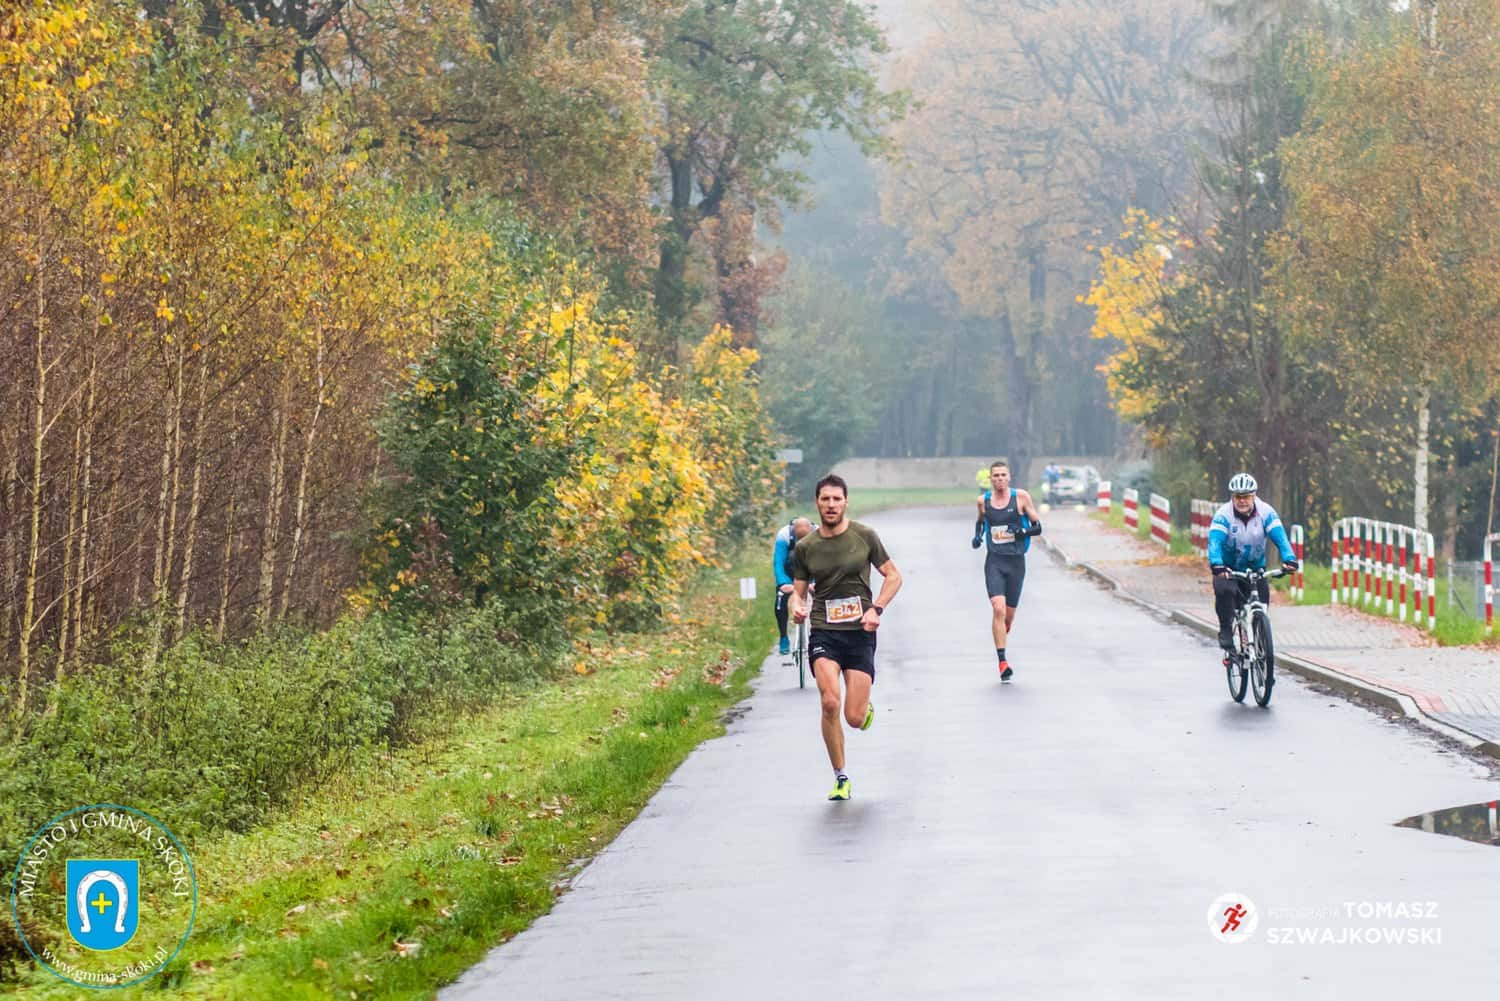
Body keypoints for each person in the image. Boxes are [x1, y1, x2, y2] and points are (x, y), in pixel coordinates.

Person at [791, 474, 902, 802]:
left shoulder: (864, 536)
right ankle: (841, 777)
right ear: (817, 502)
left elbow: (894, 576)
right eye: (825, 499)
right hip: (824, 631)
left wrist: (876, 609)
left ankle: (863, 709)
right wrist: (797, 607)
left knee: (853, 718)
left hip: (860, 633)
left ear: (845, 502)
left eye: (836, 499)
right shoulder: (805, 547)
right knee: (829, 702)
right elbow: (798, 593)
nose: (831, 505)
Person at [1208, 473, 1299, 654]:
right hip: (1228, 568)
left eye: (1246, 496)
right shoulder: (1223, 515)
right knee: (1225, 591)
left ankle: (1261, 648)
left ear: (1254, 496)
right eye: (1238, 497)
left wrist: (1289, 558)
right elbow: (1215, 542)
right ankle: (1226, 629)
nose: (1242, 501)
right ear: (1232, 497)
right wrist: (1217, 564)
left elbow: (1280, 538)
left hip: (1256, 568)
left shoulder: (1266, 513)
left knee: (1262, 604)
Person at [971, 460, 1042, 681]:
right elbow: (980, 522)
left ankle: (1003, 628)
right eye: (996, 476)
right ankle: (1002, 662)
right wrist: (977, 537)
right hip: (995, 561)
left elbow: (1038, 527)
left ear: (1009, 477)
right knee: (998, 608)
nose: (1000, 479)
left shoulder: (1020, 497)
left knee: (1008, 616)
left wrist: (1022, 532)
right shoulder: (983, 501)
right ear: (990, 479)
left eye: (1003, 475)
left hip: (1016, 562)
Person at [773, 516, 814, 655]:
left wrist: (816, 582)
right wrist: (784, 583)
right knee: (781, 597)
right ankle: (783, 636)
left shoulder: (819, 533)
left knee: (823, 595)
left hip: (812, 568)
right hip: (790, 570)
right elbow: (778, 563)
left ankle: (820, 632)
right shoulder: (783, 535)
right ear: (793, 532)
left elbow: (824, 563)